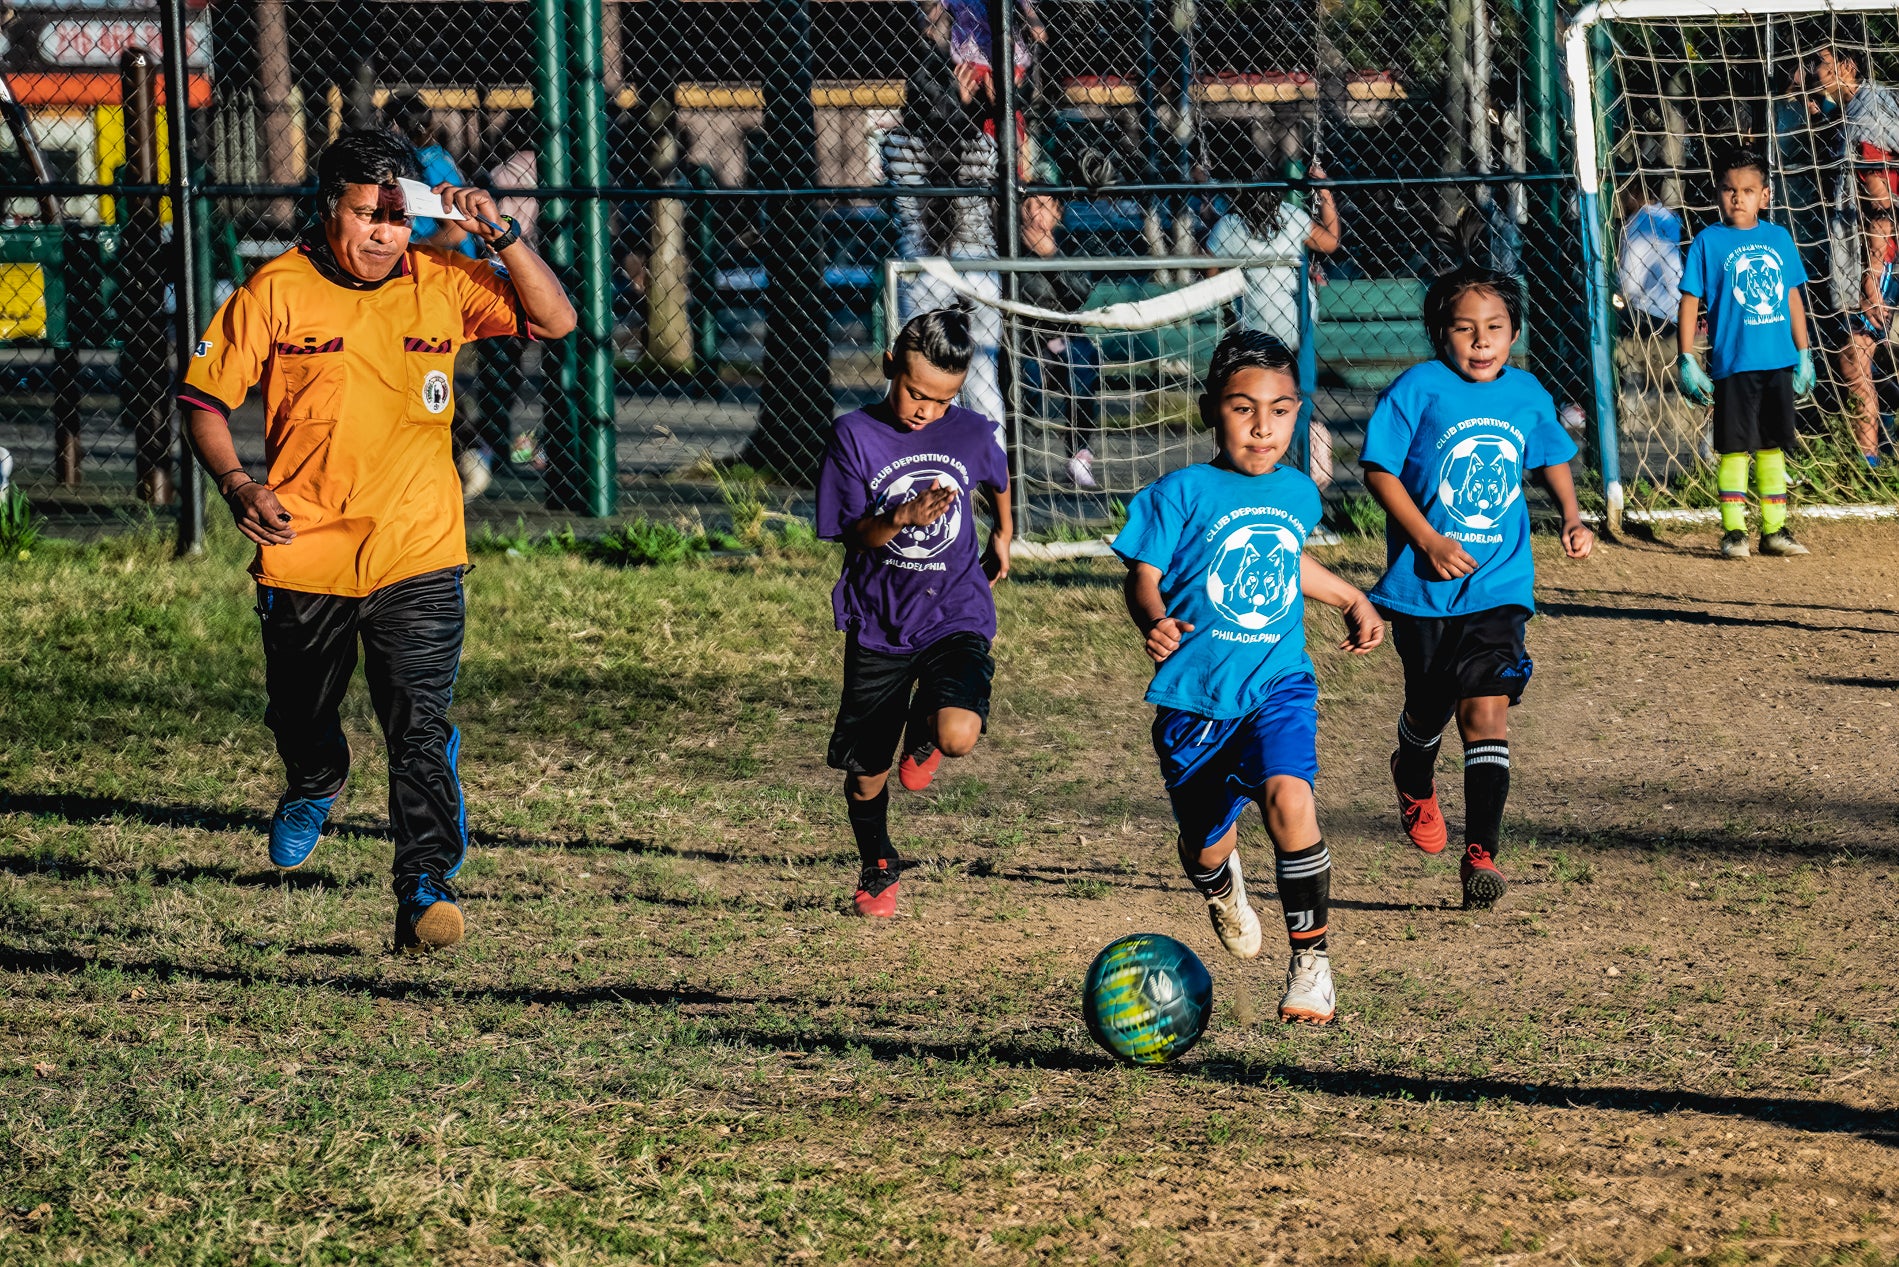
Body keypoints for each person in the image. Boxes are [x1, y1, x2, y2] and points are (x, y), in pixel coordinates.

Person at [175, 130, 576, 950]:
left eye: (396, 217)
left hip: (419, 548)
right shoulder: (275, 290)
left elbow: (556, 318)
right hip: (305, 550)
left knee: (418, 722)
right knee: (300, 711)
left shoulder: (444, 279)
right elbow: (204, 402)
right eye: (365, 215)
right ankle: (315, 776)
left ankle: (423, 887)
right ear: (330, 212)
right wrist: (239, 484)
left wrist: (498, 234)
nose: (382, 234)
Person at [1114, 330, 1384, 1026]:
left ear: (1297, 413)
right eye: (1242, 408)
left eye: (1280, 408)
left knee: (1288, 798)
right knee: (1204, 845)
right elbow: (1141, 576)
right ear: (1211, 410)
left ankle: (1311, 963)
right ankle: (1220, 885)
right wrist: (1153, 617)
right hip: (1192, 699)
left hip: (1275, 684)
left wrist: (1349, 596)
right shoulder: (1177, 492)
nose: (1263, 425)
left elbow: (1283, 560)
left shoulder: (1295, 491)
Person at [1360, 258, 1594, 912]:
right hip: (1422, 590)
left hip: (1499, 584)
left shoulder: (1524, 394)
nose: (1482, 339)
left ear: (1513, 331)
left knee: (1484, 706)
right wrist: (1428, 541)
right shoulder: (1418, 388)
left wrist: (1571, 517)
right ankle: (1411, 769)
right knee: (1430, 706)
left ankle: (1481, 854)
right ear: (1441, 335)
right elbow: (1378, 471)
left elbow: (1549, 455)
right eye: (1466, 329)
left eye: (1494, 326)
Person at [816, 309, 1013, 919]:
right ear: (889, 369)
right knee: (866, 773)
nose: (927, 409)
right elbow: (856, 534)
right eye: (916, 392)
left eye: (942, 399)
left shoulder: (970, 431)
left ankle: (927, 731)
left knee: (958, 734)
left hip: (954, 608)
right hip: (880, 621)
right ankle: (878, 861)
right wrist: (902, 516)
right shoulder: (855, 436)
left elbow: (996, 474)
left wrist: (1004, 534)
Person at [1677, 148, 1818, 560]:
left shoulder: (1778, 238)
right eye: (1728, 190)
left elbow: (1792, 296)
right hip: (1733, 365)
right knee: (1735, 447)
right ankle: (1734, 531)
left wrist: (1804, 352)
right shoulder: (1708, 242)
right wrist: (1686, 357)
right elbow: (1689, 301)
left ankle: (1774, 530)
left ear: (1765, 195)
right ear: (1718, 193)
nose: (1737, 198)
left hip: (1777, 362)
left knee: (1773, 446)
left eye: (1747, 190)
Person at [386, 94, 495, 499]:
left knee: (435, 384)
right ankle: (460, 456)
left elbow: (455, 230)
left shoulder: (426, 164)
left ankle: (471, 456)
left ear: (397, 126)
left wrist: (413, 254)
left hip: (441, 288)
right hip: (421, 287)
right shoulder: (427, 159)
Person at [1205, 166, 1342, 485]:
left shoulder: (1231, 225)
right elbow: (1331, 241)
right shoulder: (1291, 217)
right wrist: (1324, 193)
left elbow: (1210, 272)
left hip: (1256, 332)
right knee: (1296, 397)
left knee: (1256, 402)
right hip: (1297, 325)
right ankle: (1304, 457)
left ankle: (1252, 469)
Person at [1808, 47, 1899, 464]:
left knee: (1854, 358)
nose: (1814, 74)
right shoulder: (1859, 109)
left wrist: (1873, 270)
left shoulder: (1868, 118)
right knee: (1857, 356)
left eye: (1822, 66)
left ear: (1847, 66)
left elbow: (1882, 199)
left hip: (1881, 255)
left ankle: (1869, 462)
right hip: (1872, 253)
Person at [1017, 189, 1103, 488]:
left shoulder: (1070, 244)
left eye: (1044, 205)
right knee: (1026, 379)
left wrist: (1052, 258)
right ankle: (1017, 462)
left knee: (1081, 362)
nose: (1035, 213)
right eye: (1029, 205)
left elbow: (1077, 295)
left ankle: (1079, 456)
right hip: (1026, 340)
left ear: (1058, 212)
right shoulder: (1009, 244)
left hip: (1065, 336)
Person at [479, 113, 543, 469]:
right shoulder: (553, 168)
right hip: (543, 271)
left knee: (500, 366)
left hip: (505, 273)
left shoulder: (501, 172)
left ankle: (496, 442)